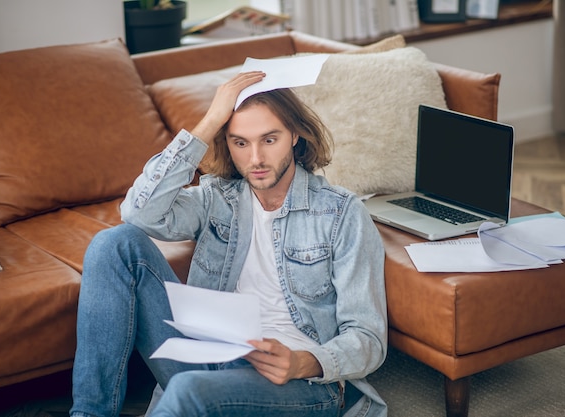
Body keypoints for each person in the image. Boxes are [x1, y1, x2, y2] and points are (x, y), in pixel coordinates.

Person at [69, 70, 388, 417]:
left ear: (295, 135)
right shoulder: (218, 198)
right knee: (114, 243)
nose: (256, 159)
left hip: (300, 384)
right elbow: (138, 212)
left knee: (188, 391)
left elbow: (368, 338)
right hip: (213, 356)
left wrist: (302, 362)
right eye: (240, 142)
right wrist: (210, 121)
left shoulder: (341, 213)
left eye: (269, 139)